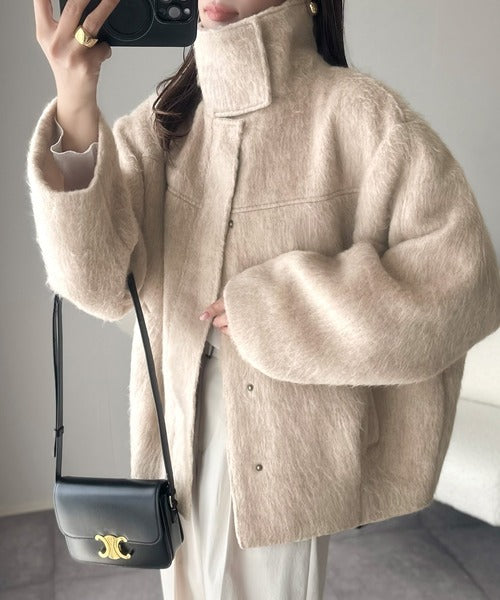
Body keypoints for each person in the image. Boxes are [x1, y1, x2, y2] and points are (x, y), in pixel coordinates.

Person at [27, 0, 500, 599]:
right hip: (176, 430)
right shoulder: (165, 122)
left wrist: (281, 309)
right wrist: (75, 98)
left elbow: (463, 282)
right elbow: (95, 285)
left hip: (288, 443)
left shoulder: (362, 116)